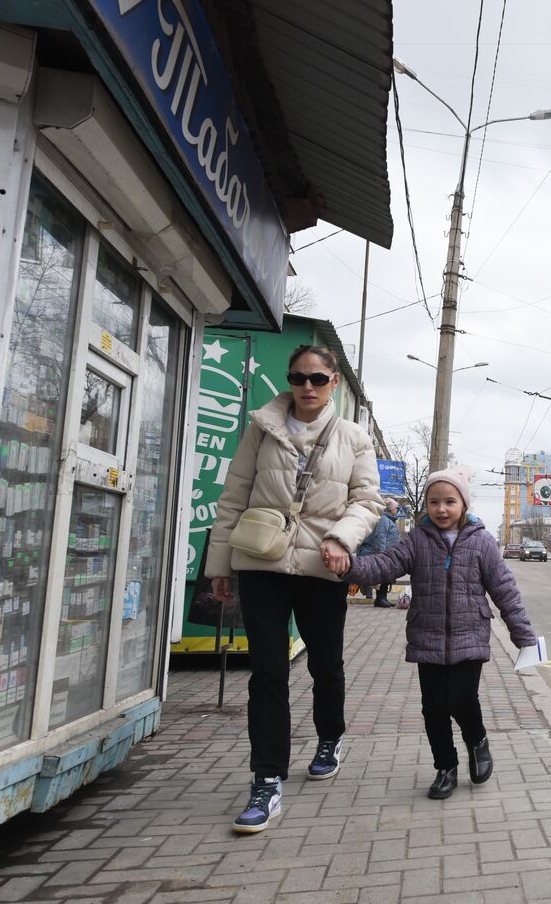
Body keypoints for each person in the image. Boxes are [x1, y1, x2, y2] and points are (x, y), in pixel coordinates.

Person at [205, 345, 383, 834]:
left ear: (334, 385)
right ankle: (266, 780)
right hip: (262, 559)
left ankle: (329, 738)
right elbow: (234, 495)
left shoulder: (353, 437)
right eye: (298, 377)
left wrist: (341, 539)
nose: (307, 387)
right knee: (266, 671)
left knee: (326, 665)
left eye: (318, 379)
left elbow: (367, 501)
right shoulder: (261, 426)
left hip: (322, 567)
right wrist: (220, 563)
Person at [339, 467, 537, 800]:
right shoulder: (417, 540)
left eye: (449, 501)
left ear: (463, 504)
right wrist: (350, 566)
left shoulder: (482, 542)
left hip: (469, 634)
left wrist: (524, 637)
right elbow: (385, 564)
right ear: (426, 506)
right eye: (434, 502)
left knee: (461, 699)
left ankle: (477, 740)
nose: (441, 509)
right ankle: (445, 767)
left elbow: (505, 590)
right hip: (427, 636)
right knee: (433, 708)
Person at [356, 497, 402, 607]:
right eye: (396, 508)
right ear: (390, 509)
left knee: (387, 576)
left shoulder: (389, 520)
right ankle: (380, 599)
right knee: (383, 576)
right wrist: (382, 555)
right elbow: (380, 537)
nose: (397, 510)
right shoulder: (384, 520)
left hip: (389, 553)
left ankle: (383, 598)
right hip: (385, 553)